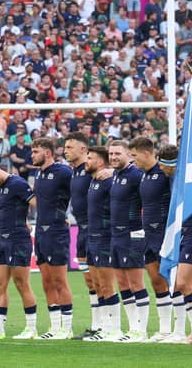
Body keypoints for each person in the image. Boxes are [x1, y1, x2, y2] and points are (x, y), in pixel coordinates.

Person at [0, 161, 38, 340]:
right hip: (2, 240)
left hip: (18, 240)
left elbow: (35, 201)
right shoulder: (0, 187)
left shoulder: (17, 183)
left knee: (21, 283)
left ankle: (31, 327)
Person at [159, 144, 192, 345]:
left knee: (181, 283)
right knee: (185, 284)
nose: (160, 169)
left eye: (163, 165)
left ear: (170, 165)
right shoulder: (174, 177)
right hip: (184, 233)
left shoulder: (191, 179)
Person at [128, 138, 172, 342]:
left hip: (164, 234)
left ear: (146, 154)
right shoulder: (143, 176)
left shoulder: (165, 174)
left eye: (134, 156)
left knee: (174, 282)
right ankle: (164, 330)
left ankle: (178, 329)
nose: (132, 160)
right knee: (156, 282)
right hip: (148, 235)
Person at [32, 137, 73, 339]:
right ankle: (54, 327)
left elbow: (81, 190)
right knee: (46, 282)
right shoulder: (38, 174)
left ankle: (67, 328)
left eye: (35, 151)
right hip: (40, 230)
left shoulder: (63, 172)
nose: (32, 155)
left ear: (47, 153)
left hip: (56, 230)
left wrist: (69, 216)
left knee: (59, 281)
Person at [107, 140, 148, 342]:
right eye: (111, 153)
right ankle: (132, 328)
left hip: (132, 234)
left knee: (136, 283)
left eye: (117, 153)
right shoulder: (115, 175)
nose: (113, 157)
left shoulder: (136, 176)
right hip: (116, 236)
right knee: (122, 283)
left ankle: (142, 330)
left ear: (128, 155)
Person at [63, 132, 96, 339]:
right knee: (90, 281)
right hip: (82, 229)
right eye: (65, 147)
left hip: (96, 230)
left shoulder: (93, 170)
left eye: (69, 147)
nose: (66, 151)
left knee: (103, 282)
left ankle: (108, 326)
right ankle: (96, 325)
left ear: (83, 149)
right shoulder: (73, 172)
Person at [82, 146, 114, 342]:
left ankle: (112, 328)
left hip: (105, 237)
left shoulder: (109, 180)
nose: (86, 161)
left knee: (106, 285)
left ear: (101, 162)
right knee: (96, 284)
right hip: (92, 237)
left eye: (90, 158)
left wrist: (113, 171)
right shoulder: (93, 180)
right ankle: (103, 326)